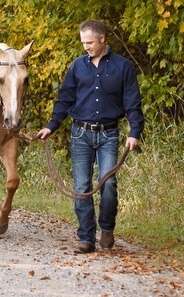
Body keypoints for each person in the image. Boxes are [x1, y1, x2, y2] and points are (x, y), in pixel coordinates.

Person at [36, 19, 144, 254]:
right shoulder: (77, 66)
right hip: (80, 134)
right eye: (83, 42)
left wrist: (134, 132)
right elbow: (64, 100)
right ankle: (86, 238)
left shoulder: (123, 67)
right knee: (82, 186)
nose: (86, 46)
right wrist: (51, 127)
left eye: (90, 42)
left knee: (109, 183)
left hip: (109, 134)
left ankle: (106, 228)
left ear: (102, 39)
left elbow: (133, 103)